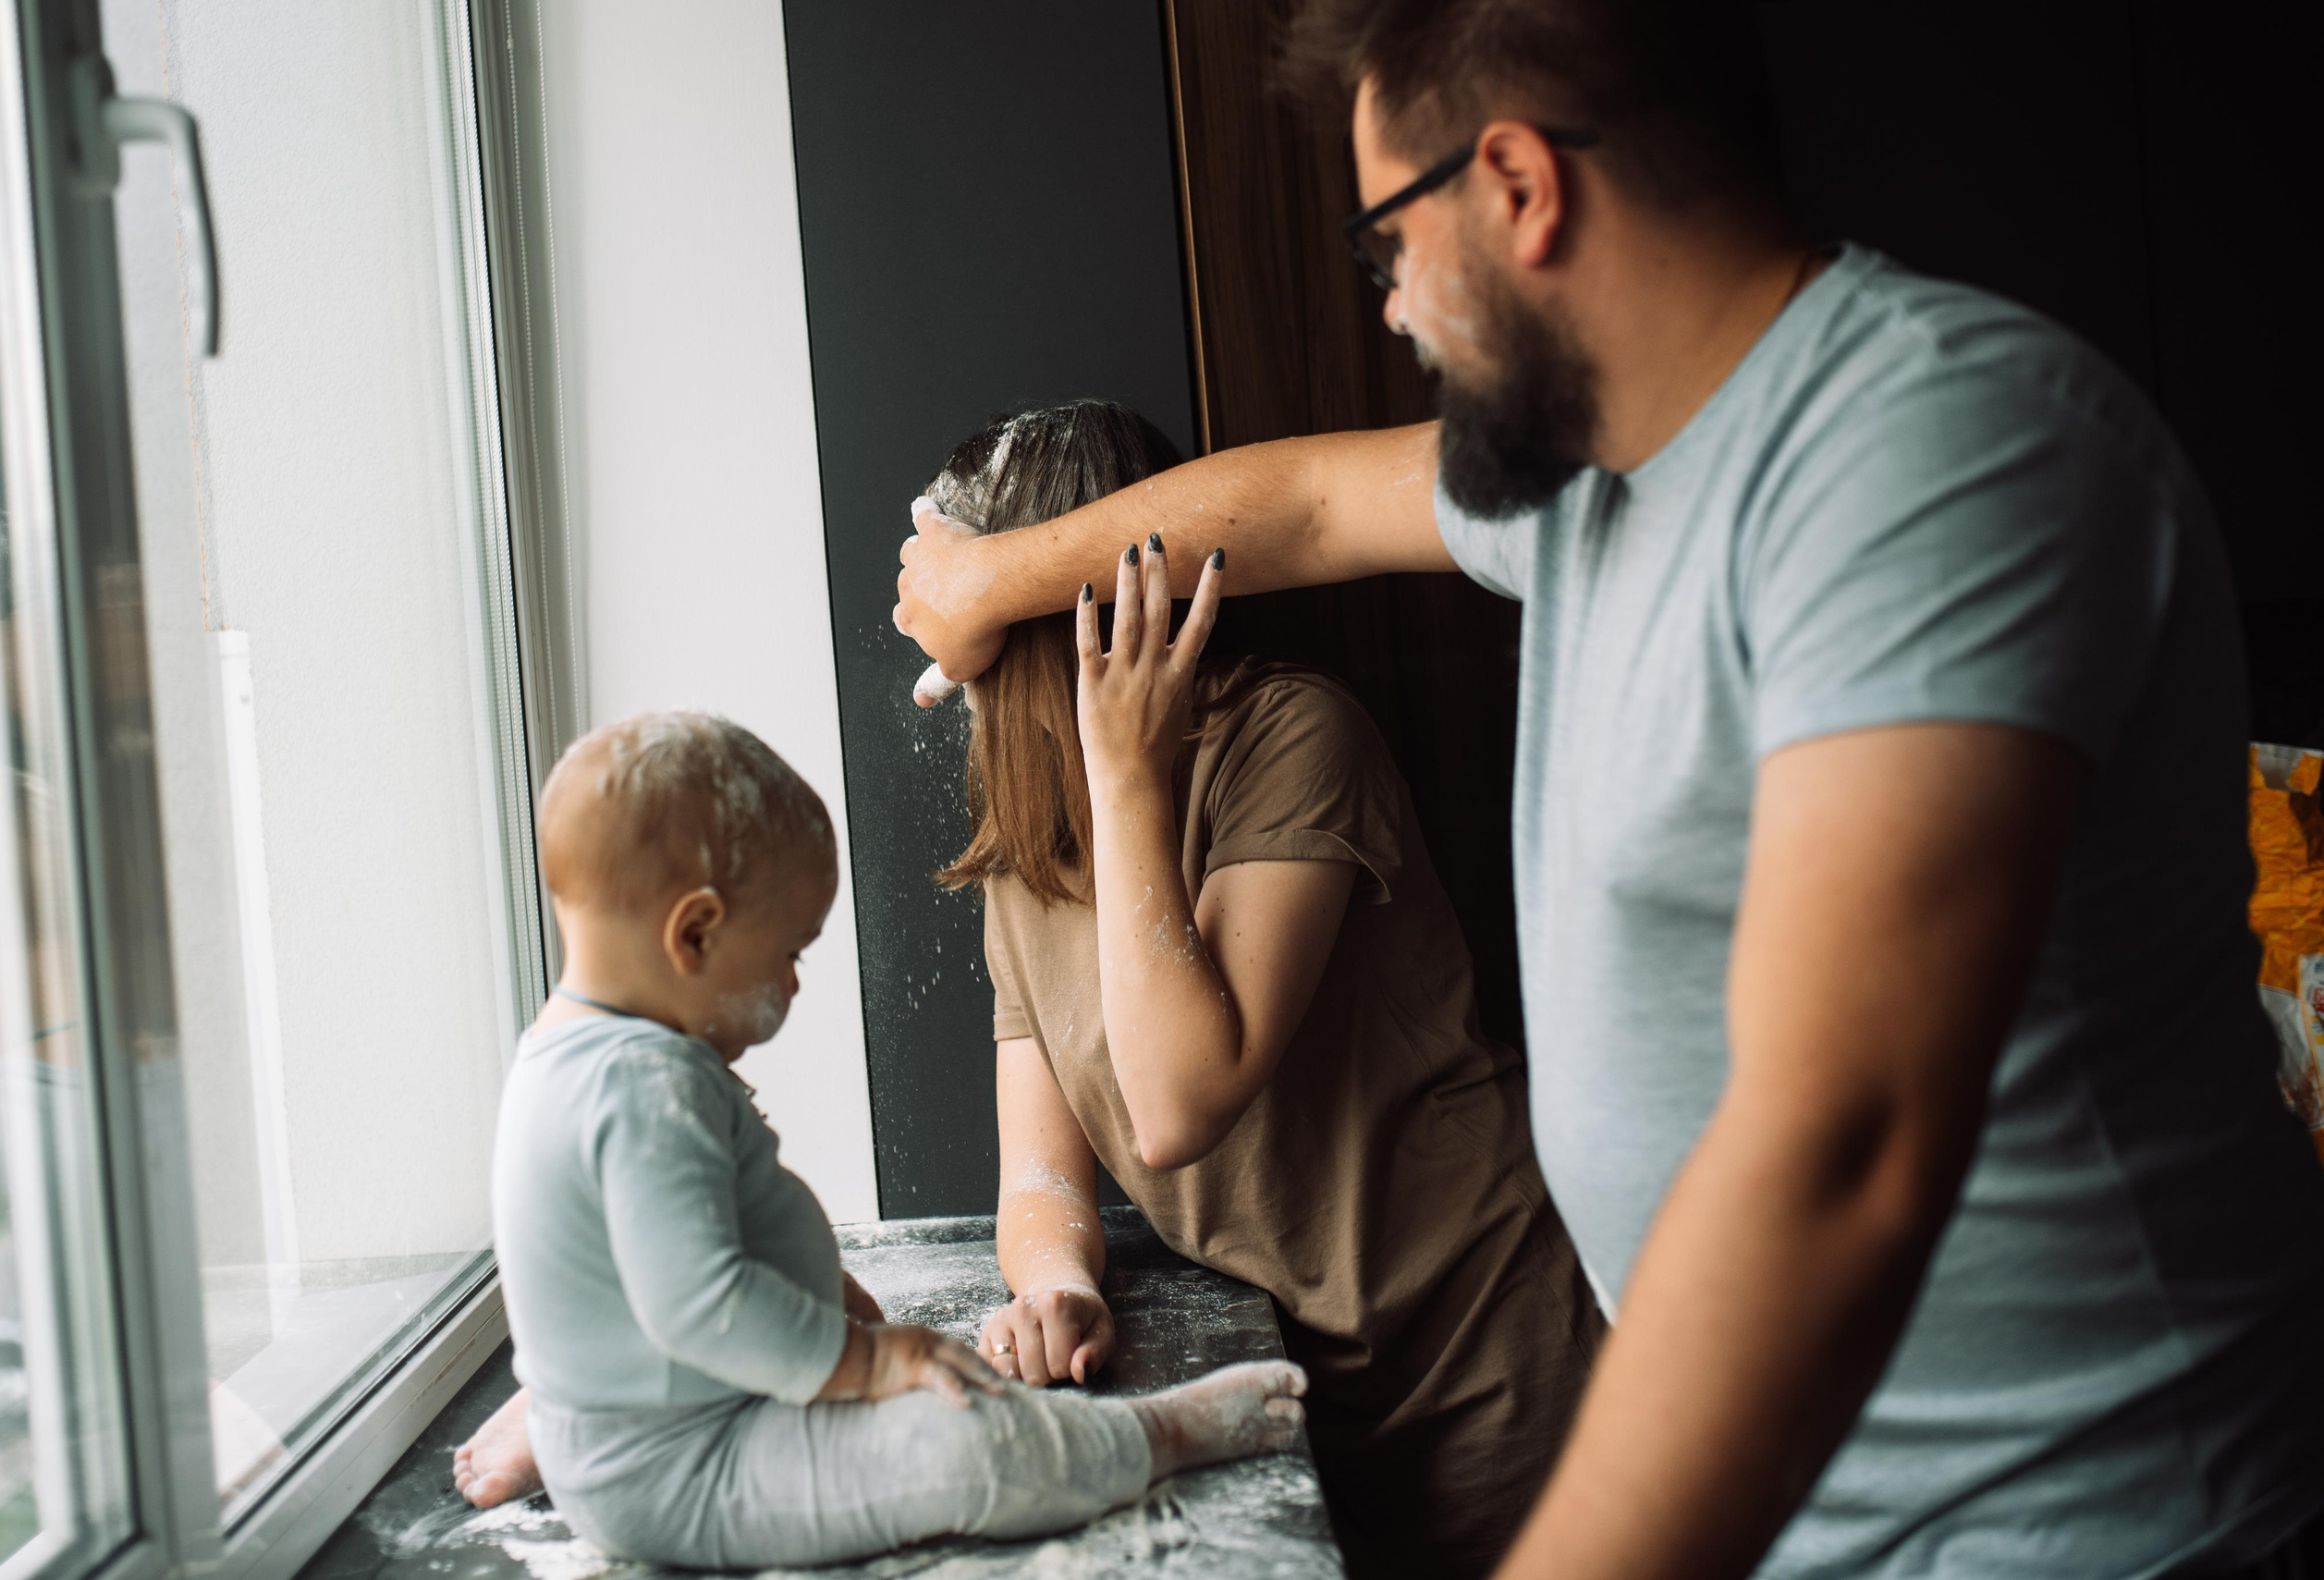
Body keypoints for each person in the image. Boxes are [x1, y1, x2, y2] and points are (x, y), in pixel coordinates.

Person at [891, 2, 2324, 1575]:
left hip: (2094, 1528)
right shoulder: (1586, 482)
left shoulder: (1929, 455)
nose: (1392, 310)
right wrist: (988, 584)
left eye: (1389, 247)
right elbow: (1295, 504)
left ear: (1519, 186)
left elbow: (1836, 1160)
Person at [919, 400, 1601, 1579]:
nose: (938, 655)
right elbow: (1038, 1172)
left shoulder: (1291, 733)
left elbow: (1178, 1101)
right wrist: (1059, 1283)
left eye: (958, 612)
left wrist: (1126, 779)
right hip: (1305, 1391)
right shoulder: (1022, 847)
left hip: (1487, 1360)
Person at [479, 710, 1305, 1570]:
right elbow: (705, 1308)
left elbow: (657, 1251)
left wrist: (824, 1302)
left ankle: (574, 1417)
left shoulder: (570, 1058)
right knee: (960, 1444)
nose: (795, 981)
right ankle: (1155, 1434)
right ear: (694, 933)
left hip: (666, 1420)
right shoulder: (644, 1087)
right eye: (790, 952)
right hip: (698, 1469)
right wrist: (871, 1361)